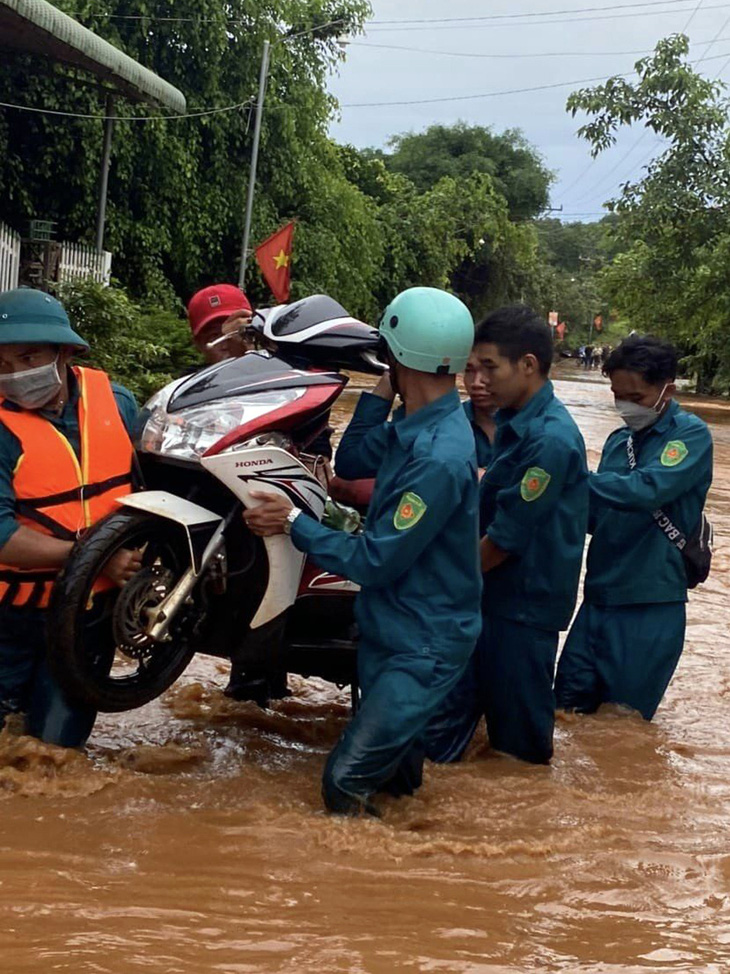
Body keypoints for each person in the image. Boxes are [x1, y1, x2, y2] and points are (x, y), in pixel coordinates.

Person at [244, 287, 482, 815]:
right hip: (392, 631)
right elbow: (350, 462)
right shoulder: (416, 428)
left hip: (422, 647)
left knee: (344, 783)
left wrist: (293, 524)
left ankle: (359, 883)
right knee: (397, 785)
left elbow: (376, 560)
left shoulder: (438, 457)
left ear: (397, 357)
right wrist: (385, 390)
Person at [427, 305, 589, 766]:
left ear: (528, 366)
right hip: (491, 599)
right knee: (444, 736)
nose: (481, 380)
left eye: (490, 367)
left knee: (519, 755)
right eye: (472, 368)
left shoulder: (550, 440)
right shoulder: (517, 426)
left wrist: (440, 582)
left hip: (522, 611)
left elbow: (504, 539)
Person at [0, 288, 138, 747]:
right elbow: (2, 537)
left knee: (52, 757)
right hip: (10, 618)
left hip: (87, 617)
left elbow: (154, 495)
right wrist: (95, 557)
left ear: (64, 351)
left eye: (27, 357)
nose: (16, 375)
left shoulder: (117, 405)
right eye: (2, 365)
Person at [554, 336, 713, 720]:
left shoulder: (689, 436)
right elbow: (594, 516)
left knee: (622, 728)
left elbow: (646, 489)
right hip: (596, 603)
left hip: (648, 609)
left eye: (636, 398)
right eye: (617, 395)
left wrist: (570, 478)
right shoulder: (616, 442)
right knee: (562, 715)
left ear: (667, 390)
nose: (625, 406)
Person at [186, 283, 254, 366]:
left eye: (236, 331)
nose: (226, 345)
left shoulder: (272, 367)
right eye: (214, 336)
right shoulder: (196, 379)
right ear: (199, 345)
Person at [462, 347, 496, 471]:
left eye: (489, 370)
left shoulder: (533, 426)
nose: (476, 383)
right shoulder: (452, 423)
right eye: (469, 370)